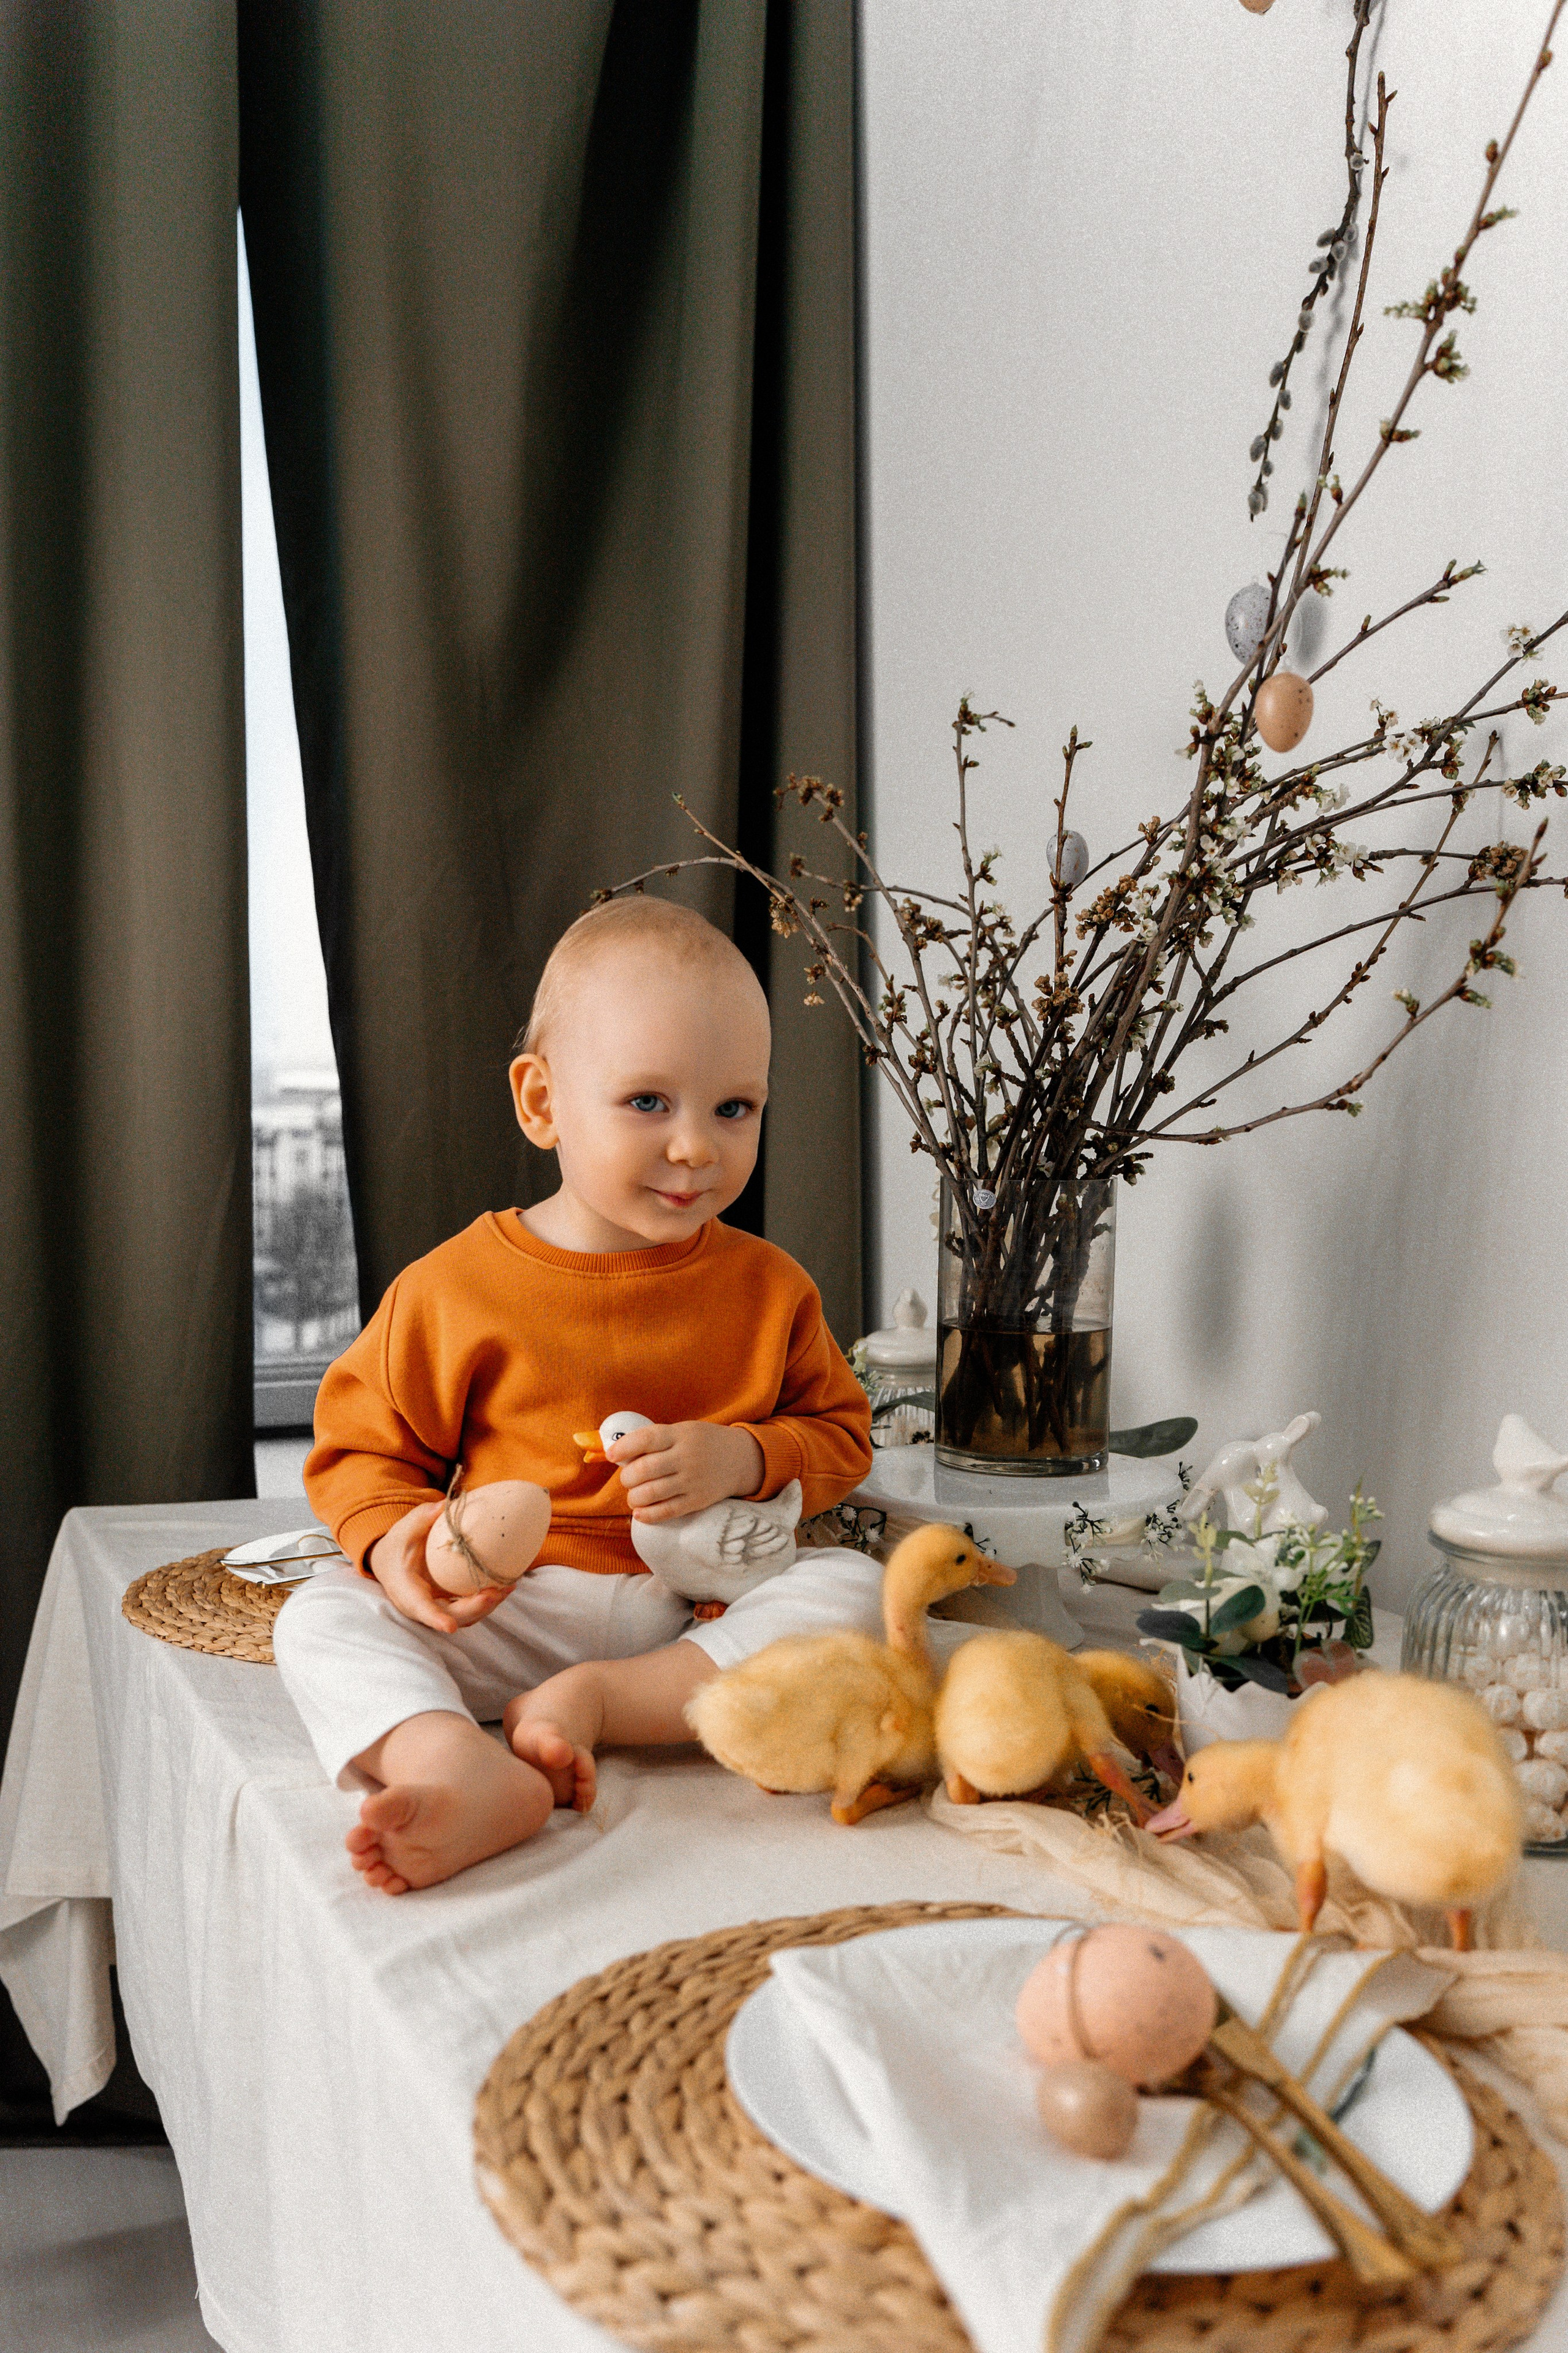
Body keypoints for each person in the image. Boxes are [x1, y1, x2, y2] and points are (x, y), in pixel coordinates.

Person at [272, 896, 881, 1892]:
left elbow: (841, 1437)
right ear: (543, 1101)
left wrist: (747, 1454)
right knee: (321, 1618)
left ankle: (594, 1703)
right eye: (649, 1102)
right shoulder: (455, 1287)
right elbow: (362, 1451)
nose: (696, 1147)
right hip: (504, 1607)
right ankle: (454, 1764)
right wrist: (398, 1547)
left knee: (851, 1590)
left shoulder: (771, 1288)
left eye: (734, 1108)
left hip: (689, 1618)